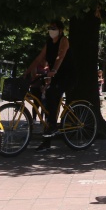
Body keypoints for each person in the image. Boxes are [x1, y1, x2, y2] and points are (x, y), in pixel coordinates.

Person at [24, 21, 71, 151]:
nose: (51, 30)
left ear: (60, 30)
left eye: (54, 28)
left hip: (66, 75)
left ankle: (54, 126)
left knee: (51, 95)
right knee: (46, 106)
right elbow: (39, 58)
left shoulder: (64, 40)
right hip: (54, 75)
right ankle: (47, 140)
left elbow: (60, 57)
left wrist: (54, 70)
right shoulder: (49, 43)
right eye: (50, 28)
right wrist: (27, 72)